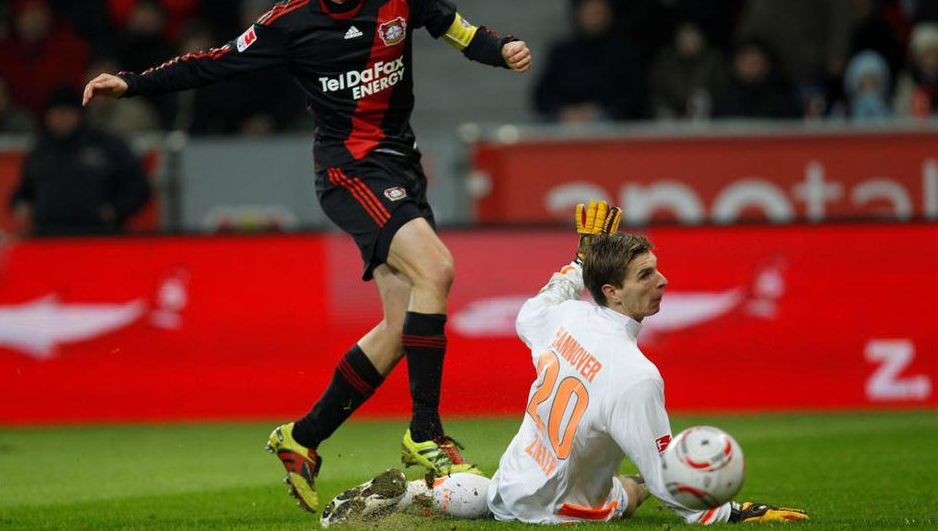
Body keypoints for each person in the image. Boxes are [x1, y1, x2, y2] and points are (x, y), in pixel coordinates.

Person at [82, 0, 532, 515]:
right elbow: (214, 65)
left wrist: (502, 49)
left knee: (401, 326)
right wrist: (132, 83)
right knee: (438, 268)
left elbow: (461, 33)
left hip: (401, 165)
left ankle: (303, 437)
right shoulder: (290, 22)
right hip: (349, 170)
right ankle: (426, 434)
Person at [323, 201, 810, 526]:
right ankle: (427, 494)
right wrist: (731, 512)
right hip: (562, 510)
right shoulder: (637, 376)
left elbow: (530, 311)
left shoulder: (566, 318)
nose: (662, 281)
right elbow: (669, 482)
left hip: (517, 477)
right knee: (636, 488)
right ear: (612, 292)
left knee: (501, 496)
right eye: (646, 275)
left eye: (657, 269)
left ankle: (417, 493)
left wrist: (578, 263)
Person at [11, 86, 150, 236]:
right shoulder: (40, 150)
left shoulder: (106, 145)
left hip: (99, 235)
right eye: (56, 113)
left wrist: (116, 210)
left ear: (79, 114)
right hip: (48, 236)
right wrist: (22, 205)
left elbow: (138, 188)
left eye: (66, 113)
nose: (61, 119)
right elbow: (23, 192)